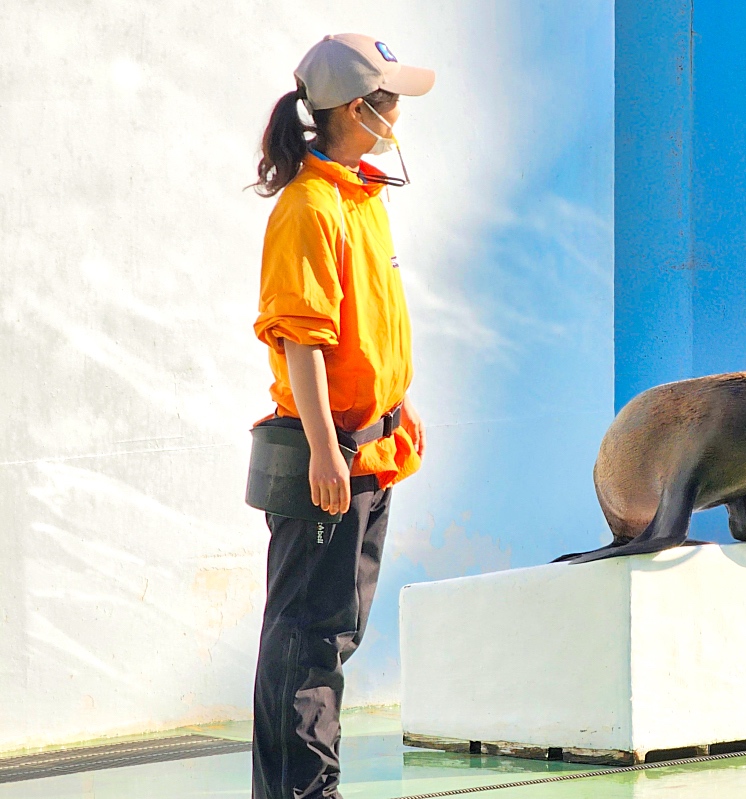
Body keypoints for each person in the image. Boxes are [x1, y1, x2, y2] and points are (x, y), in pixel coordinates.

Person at [248, 33, 433, 799]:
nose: (402, 114)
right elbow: (302, 338)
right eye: (392, 100)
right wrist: (327, 450)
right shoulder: (309, 206)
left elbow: (367, 325)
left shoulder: (361, 195)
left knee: (334, 634)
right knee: (305, 639)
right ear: (360, 108)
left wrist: (398, 403)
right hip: (331, 459)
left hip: (371, 454)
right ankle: (302, 792)